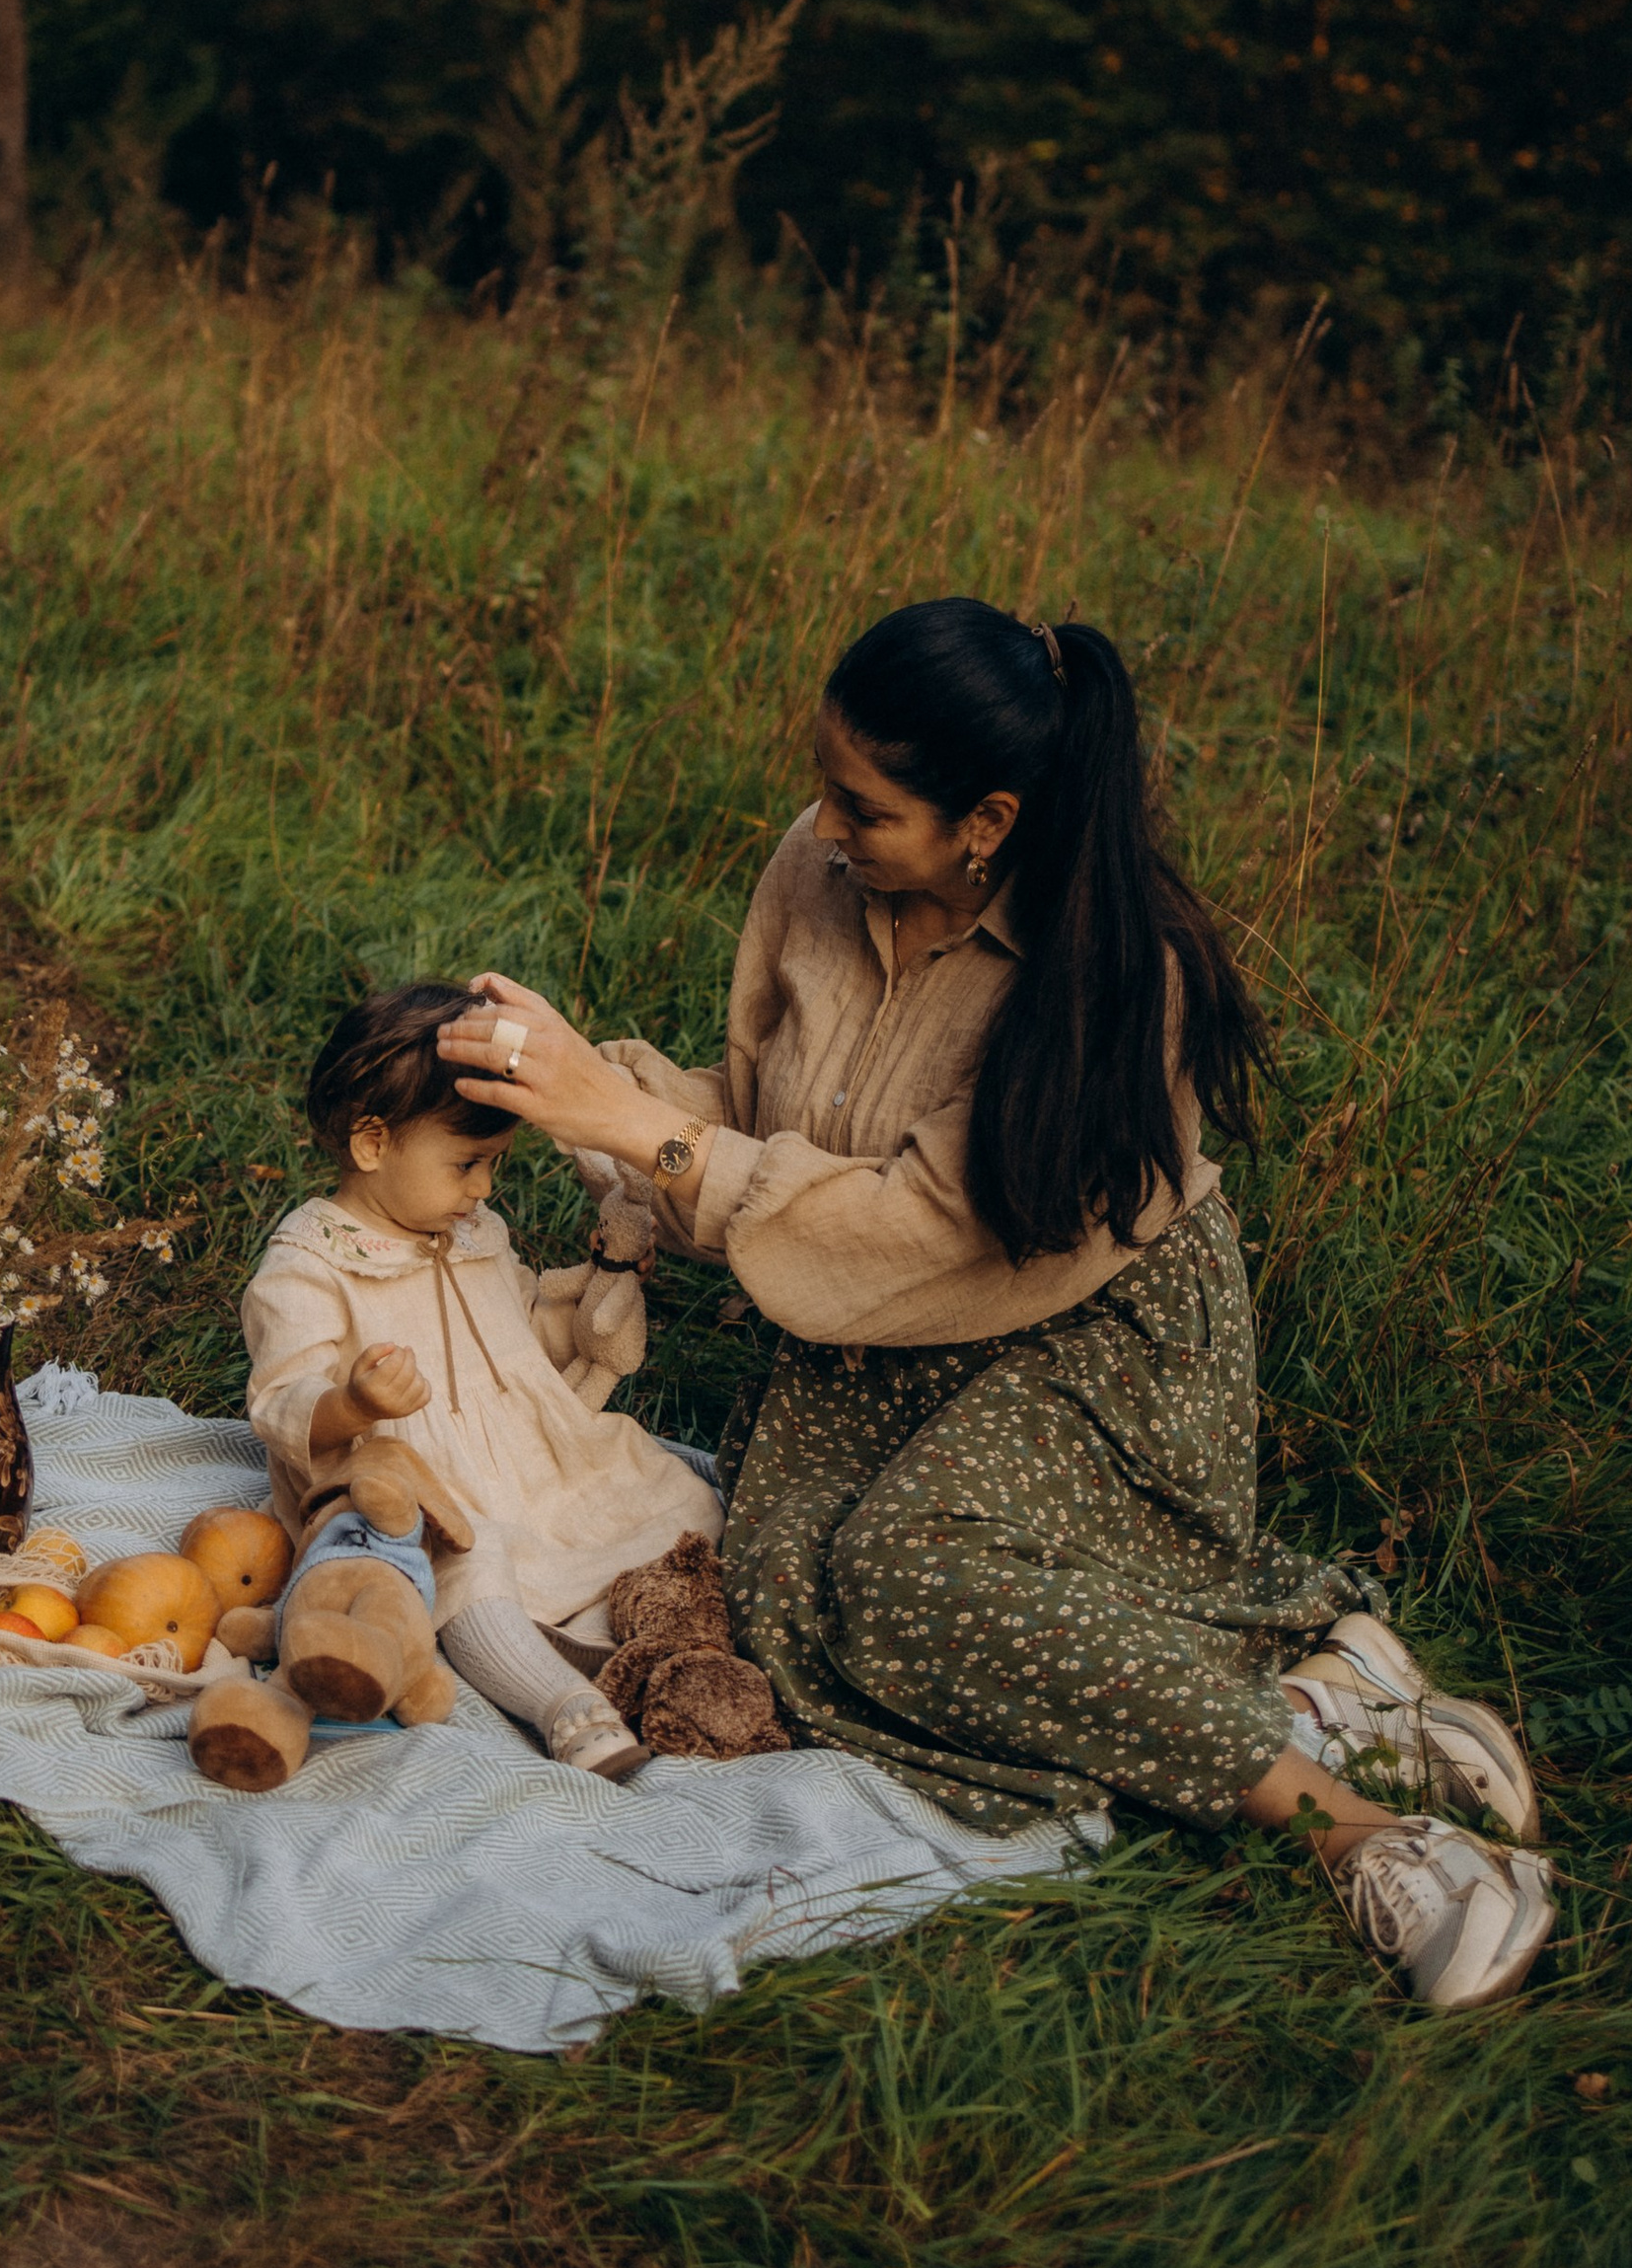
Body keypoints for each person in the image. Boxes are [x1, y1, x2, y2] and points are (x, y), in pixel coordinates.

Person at [437, 595, 1558, 2009]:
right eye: (827, 786)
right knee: (792, 1611)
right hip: (885, 1326)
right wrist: (596, 1096)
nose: (827, 826)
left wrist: (650, 1136)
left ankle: (1358, 1829)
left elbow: (933, 1232)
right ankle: (1313, 1700)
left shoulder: (1114, 977)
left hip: (1097, 1340)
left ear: (988, 820)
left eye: (867, 806)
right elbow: (783, 1124)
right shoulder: (817, 870)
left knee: (910, 1577)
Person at [237, 980, 722, 1778]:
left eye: (493, 1165)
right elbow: (280, 1403)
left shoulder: (474, 1231)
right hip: (417, 1484)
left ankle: (645, 1628)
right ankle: (563, 1705)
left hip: (528, 1454)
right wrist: (354, 1402)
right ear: (371, 1145)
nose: (485, 1190)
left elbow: (517, 1342)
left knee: (659, 1486)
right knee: (464, 1567)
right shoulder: (311, 1263)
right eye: (468, 1164)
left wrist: (599, 1282)